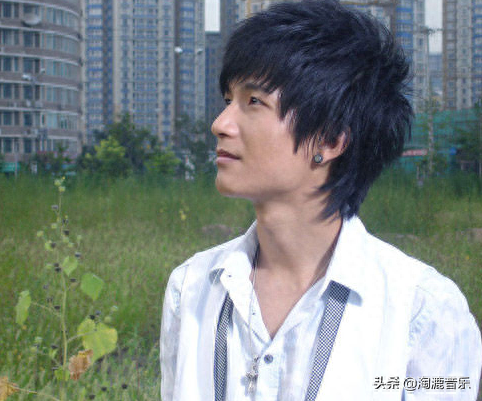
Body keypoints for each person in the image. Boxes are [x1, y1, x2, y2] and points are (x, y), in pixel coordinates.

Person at [160, 1, 482, 400]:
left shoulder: (423, 313)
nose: (220, 124)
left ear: (329, 140)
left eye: (254, 102)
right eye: (228, 100)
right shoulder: (191, 289)